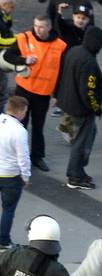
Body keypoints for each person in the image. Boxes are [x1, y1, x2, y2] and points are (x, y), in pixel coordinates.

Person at [54, 25, 102, 190]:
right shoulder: (89, 62)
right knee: (81, 142)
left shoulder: (74, 51)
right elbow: (88, 92)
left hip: (68, 101)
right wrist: (97, 108)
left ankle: (78, 171)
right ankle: (75, 176)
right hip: (81, 109)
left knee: (84, 137)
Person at [14, 15, 66, 172]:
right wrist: (24, 60)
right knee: (19, 126)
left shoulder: (60, 46)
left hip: (42, 93)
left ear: (49, 27)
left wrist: (56, 94)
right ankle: (17, 157)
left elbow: (61, 72)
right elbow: (9, 56)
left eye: (42, 26)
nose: (38, 29)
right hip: (23, 89)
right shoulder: (24, 38)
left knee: (38, 126)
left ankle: (37, 156)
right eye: (36, 26)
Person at [0, 96, 27, 247]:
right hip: (11, 176)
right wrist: (26, 176)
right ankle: (3, 241)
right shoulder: (19, 131)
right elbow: (23, 158)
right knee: (8, 210)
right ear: (20, 111)